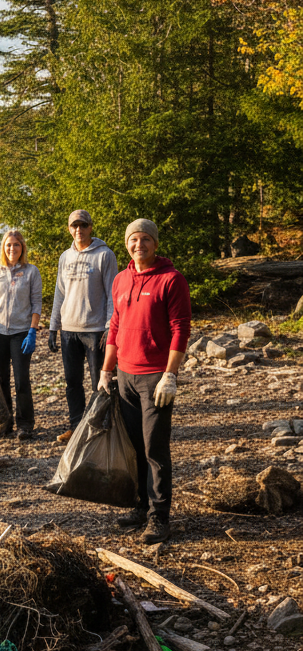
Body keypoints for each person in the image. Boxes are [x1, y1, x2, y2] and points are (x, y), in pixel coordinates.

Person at [98, 219, 191, 545]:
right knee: (134, 447)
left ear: (155, 243)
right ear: (127, 244)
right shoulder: (122, 279)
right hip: (124, 376)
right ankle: (140, 506)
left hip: (155, 379)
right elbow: (115, 326)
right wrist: (106, 371)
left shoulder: (171, 279)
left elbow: (181, 329)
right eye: (134, 239)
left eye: (145, 239)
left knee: (154, 448)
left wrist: (171, 374)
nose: (139, 245)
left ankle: (159, 518)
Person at [47, 211, 118, 444]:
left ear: (91, 227)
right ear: (69, 228)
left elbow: (112, 294)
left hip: (96, 328)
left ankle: (101, 425)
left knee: (101, 381)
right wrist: (53, 327)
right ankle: (76, 427)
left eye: (83, 225)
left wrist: (110, 327)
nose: (79, 229)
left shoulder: (105, 255)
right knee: (72, 382)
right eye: (74, 225)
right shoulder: (65, 257)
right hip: (69, 329)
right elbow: (59, 292)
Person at [0, 230, 42, 440]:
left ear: (22, 247)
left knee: (22, 379)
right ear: (3, 248)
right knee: (0, 379)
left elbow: (36, 304)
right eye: (8, 245)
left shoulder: (32, 271)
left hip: (21, 332)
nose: (12, 249)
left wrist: (32, 331)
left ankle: (25, 424)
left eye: (16, 244)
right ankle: (4, 421)